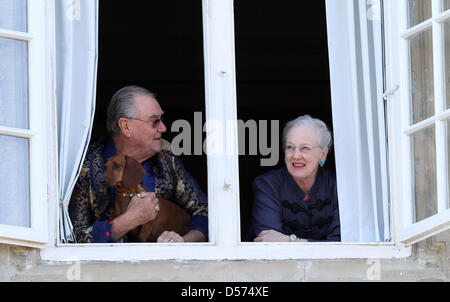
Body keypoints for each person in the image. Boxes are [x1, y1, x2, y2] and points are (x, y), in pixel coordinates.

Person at [69, 85, 208, 243]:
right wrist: (129, 220)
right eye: (154, 121)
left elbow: (204, 210)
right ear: (126, 126)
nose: (163, 128)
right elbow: (74, 238)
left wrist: (183, 241)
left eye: (161, 120)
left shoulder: (166, 156)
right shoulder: (86, 167)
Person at [250, 115, 340, 242]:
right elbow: (268, 243)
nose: (296, 155)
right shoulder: (267, 185)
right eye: (290, 147)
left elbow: (341, 246)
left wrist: (291, 241)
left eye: (305, 148)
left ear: (322, 154)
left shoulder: (338, 184)